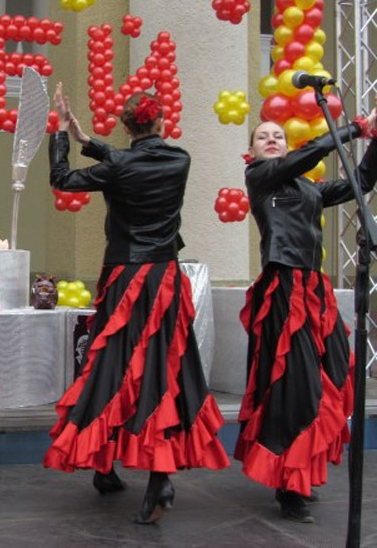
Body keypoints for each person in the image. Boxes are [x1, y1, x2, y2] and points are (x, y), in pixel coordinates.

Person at [43, 83, 230, 524]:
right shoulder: (179, 159)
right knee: (161, 369)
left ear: (127, 126)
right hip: (164, 276)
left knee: (111, 364)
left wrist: (60, 134)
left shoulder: (120, 167)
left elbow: (62, 179)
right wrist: (86, 138)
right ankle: (144, 472)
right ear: (161, 123)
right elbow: (129, 160)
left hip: (126, 277)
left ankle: (106, 464)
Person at [236, 111, 377, 523]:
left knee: (335, 372)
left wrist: (374, 141)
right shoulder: (261, 177)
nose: (273, 140)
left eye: (278, 135)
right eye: (264, 137)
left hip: (314, 290)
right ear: (253, 151)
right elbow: (305, 154)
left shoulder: (308, 188)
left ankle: (301, 467)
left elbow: (362, 183)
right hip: (283, 289)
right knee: (294, 384)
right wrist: (352, 128)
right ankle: (289, 483)